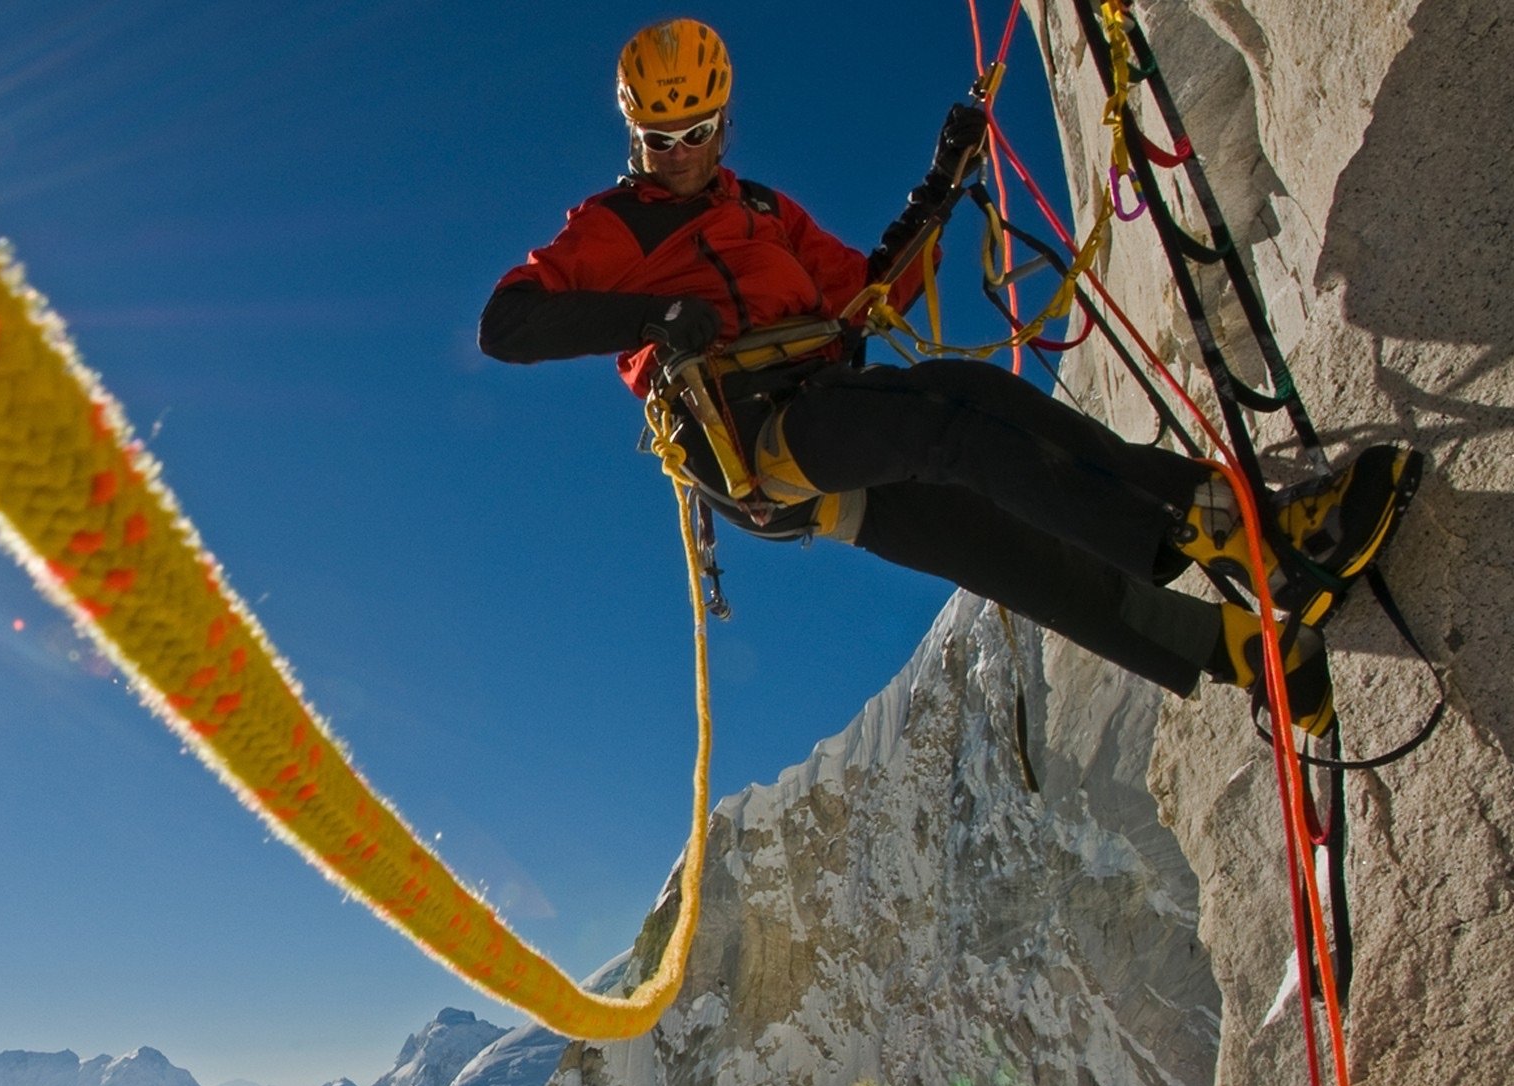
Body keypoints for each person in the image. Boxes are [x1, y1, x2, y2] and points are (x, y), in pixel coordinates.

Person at [478, 17, 1421, 734]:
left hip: (829, 424)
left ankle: (1250, 655)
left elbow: (869, 289)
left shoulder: (770, 212)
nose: (678, 158)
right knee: (957, 415)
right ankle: (1237, 532)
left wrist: (943, 178)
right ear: (634, 135)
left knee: (1004, 552)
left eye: (695, 134)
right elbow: (508, 322)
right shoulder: (614, 227)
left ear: (723, 128)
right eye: (659, 140)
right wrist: (651, 317)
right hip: (760, 435)